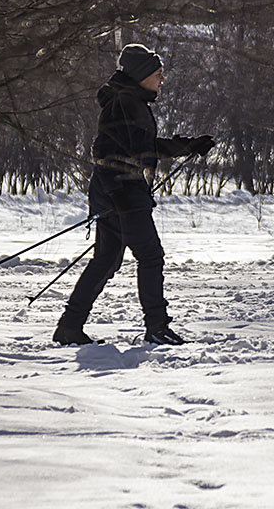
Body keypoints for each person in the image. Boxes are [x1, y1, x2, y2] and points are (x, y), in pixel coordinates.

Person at [53, 43, 214, 347]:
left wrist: (188, 146)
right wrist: (119, 196)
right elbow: (110, 151)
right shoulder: (126, 104)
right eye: (157, 73)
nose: (162, 79)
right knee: (150, 256)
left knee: (106, 260)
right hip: (123, 191)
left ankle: (70, 326)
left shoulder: (128, 101)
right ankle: (156, 327)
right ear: (141, 76)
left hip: (115, 190)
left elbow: (141, 146)